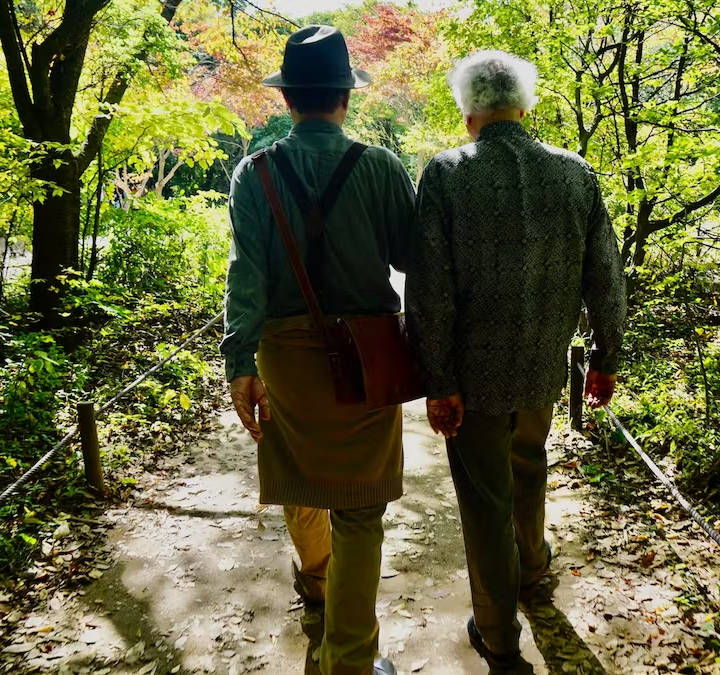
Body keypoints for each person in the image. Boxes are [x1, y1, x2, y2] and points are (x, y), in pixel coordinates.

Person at [407, 50, 627, 674]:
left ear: (467, 111)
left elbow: (429, 289)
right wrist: (607, 355)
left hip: (472, 378)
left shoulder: (447, 173)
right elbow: (606, 276)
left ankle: (499, 633)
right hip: (543, 367)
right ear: (525, 108)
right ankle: (532, 571)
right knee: (529, 465)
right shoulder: (574, 173)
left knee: (485, 499)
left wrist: (438, 380)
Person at [219, 25, 414, 675]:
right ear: (345, 96)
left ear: (287, 99)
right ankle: (351, 658)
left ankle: (317, 584)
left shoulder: (254, 173)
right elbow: (412, 260)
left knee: (302, 482)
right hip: (367, 355)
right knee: (360, 510)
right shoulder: (382, 168)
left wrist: (239, 364)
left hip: (285, 354)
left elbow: (245, 275)